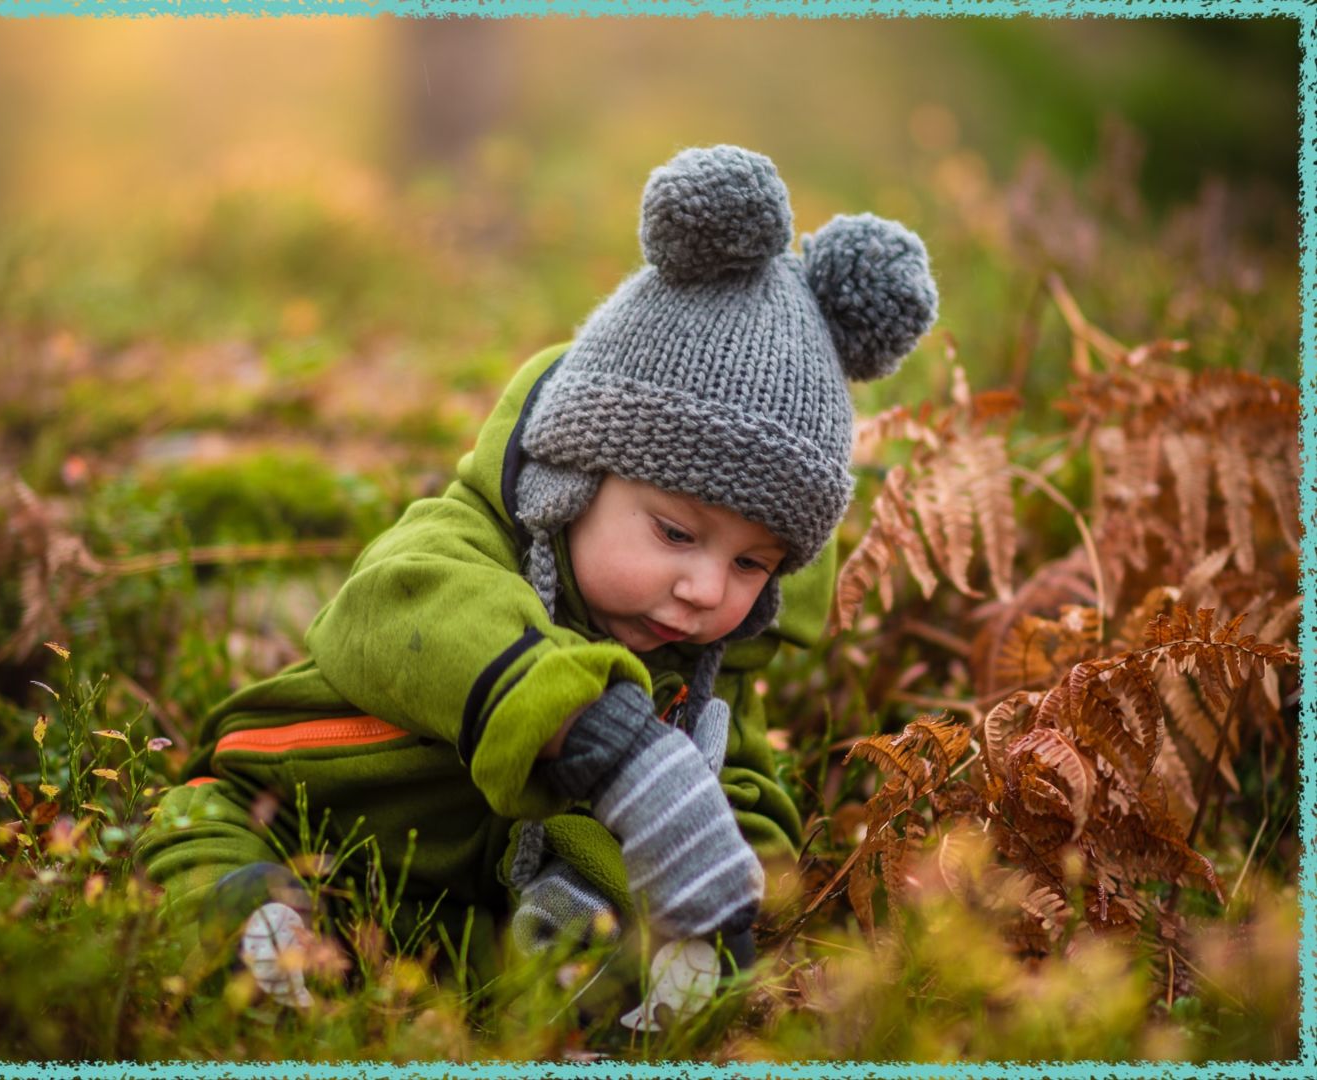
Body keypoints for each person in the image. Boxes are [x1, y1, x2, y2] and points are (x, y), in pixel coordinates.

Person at [136, 144, 938, 1010]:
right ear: (573, 480)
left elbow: (740, 783)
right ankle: (256, 938)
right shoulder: (460, 546)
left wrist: (721, 890)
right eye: (675, 533)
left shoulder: (704, 666)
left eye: (752, 563)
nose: (706, 589)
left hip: (455, 909)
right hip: (293, 809)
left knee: (584, 949)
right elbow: (400, 607)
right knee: (207, 845)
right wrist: (601, 736)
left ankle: (559, 985)